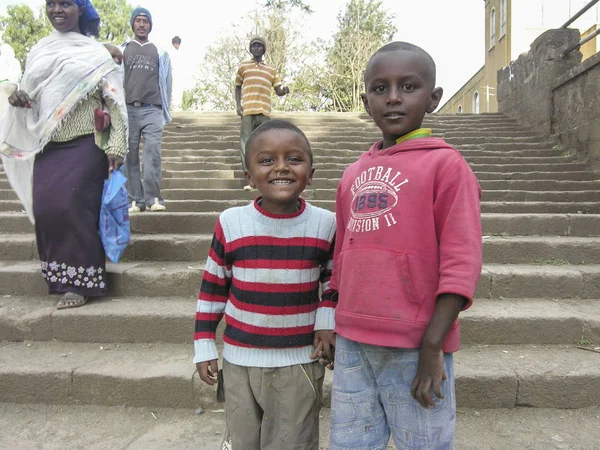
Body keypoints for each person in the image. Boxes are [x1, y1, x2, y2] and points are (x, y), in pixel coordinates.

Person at [328, 42, 483, 449]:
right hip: (352, 343)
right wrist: (332, 321)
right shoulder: (352, 174)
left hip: (415, 346)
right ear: (366, 100)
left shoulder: (447, 166)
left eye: (408, 86)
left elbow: (461, 261)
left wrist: (433, 344)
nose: (393, 97)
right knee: (351, 443)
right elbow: (340, 259)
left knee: (424, 442)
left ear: (433, 98)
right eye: (381, 88)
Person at [194, 119, 336, 450]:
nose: (281, 167)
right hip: (240, 360)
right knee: (243, 441)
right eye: (267, 160)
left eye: (294, 159)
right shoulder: (231, 222)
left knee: (293, 442)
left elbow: (334, 280)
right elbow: (213, 289)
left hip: (299, 362)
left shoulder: (325, 223)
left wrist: (327, 323)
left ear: (311, 173)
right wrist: (204, 343)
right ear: (249, 175)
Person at [0, 0, 128, 310]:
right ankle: (59, 275)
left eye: (66, 4)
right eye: (52, 4)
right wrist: (18, 94)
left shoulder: (95, 53)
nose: (57, 9)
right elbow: (32, 94)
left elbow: (114, 100)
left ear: (81, 9)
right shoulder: (40, 50)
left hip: (86, 143)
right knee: (46, 209)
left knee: (72, 206)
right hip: (48, 143)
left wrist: (118, 145)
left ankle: (82, 282)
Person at [122, 7, 172, 213]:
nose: (142, 24)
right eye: (138, 21)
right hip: (128, 109)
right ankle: (135, 199)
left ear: (150, 25)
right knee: (130, 155)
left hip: (152, 108)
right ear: (132, 23)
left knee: (152, 154)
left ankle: (153, 199)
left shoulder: (159, 51)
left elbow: (167, 81)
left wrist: (164, 107)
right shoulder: (123, 48)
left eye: (145, 21)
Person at [235, 36, 289, 191]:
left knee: (264, 145)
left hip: (264, 112)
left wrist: (284, 90)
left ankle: (264, 178)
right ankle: (249, 180)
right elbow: (237, 86)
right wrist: (238, 105)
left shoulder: (271, 69)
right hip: (248, 111)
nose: (257, 48)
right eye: (254, 46)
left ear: (264, 49)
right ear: (250, 49)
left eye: (260, 46)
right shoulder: (243, 67)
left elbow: (278, 90)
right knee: (245, 145)